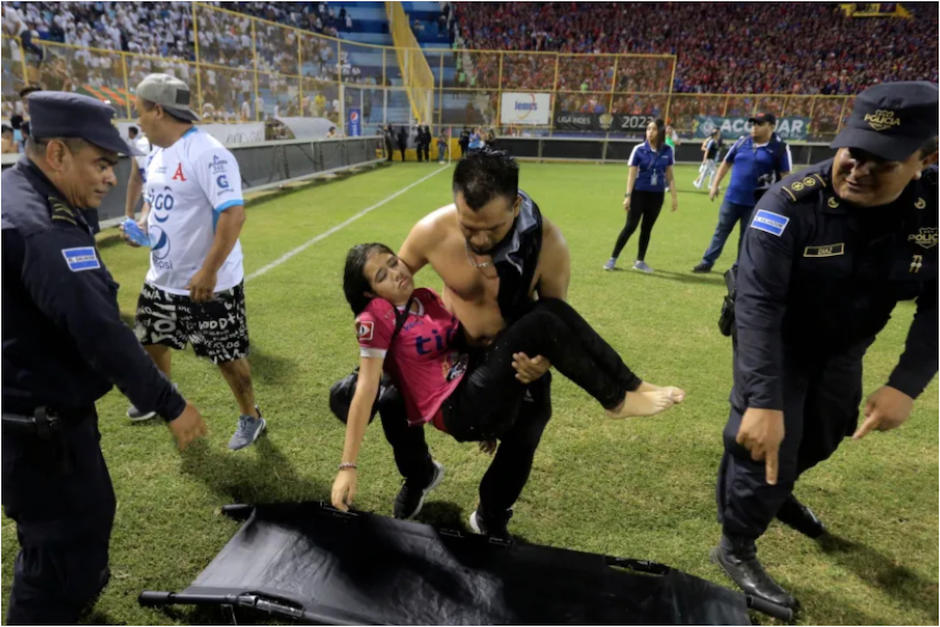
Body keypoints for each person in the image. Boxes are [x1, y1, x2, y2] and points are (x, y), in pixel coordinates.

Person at [712, 81, 938, 610]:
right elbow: (758, 304)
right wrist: (762, 400)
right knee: (769, 439)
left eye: (882, 161)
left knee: (826, 432)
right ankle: (735, 544)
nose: (857, 169)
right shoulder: (789, 204)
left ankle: (777, 488)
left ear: (925, 161)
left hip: (845, 344)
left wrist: (906, 385)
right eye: (853, 151)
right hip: (779, 338)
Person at [2, 91, 207, 624]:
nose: (111, 178)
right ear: (56, 155)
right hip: (41, 432)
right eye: (99, 163)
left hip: (30, 414)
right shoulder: (45, 228)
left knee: (75, 529)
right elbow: (99, 330)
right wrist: (169, 403)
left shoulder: (15, 194)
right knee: (60, 553)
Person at [331, 243, 684, 517]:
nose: (396, 273)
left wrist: (494, 402)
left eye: (394, 262)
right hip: (453, 409)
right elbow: (368, 388)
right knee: (540, 322)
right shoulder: (375, 316)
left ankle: (633, 385)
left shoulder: (426, 299)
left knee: (550, 309)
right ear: (370, 294)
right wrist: (348, 466)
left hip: (474, 395)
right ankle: (616, 401)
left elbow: (464, 351)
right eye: (382, 276)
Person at [122, 73, 266, 450]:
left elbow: (233, 214)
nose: (137, 120)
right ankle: (164, 399)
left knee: (226, 356)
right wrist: (143, 225)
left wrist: (208, 271)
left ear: (157, 110)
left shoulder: (208, 153)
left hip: (208, 283)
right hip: (162, 278)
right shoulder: (155, 153)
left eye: (139, 111)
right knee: (151, 340)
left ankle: (251, 416)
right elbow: (154, 200)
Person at [692, 113, 791, 273]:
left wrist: (781, 200)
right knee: (720, 231)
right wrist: (715, 185)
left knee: (746, 237)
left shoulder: (779, 148)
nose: (754, 127)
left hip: (757, 203)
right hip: (732, 198)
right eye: (753, 124)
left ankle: (739, 267)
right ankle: (707, 262)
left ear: (771, 126)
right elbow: (726, 163)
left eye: (759, 124)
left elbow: (786, 176)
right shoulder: (742, 142)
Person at [603, 119, 678, 273]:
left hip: (657, 196)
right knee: (630, 226)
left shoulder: (668, 150)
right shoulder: (638, 149)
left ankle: (640, 261)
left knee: (647, 229)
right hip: (638, 194)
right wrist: (628, 196)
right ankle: (612, 259)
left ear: (661, 131)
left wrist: (674, 197)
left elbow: (670, 175)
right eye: (648, 128)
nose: (650, 132)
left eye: (653, 129)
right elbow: (631, 175)